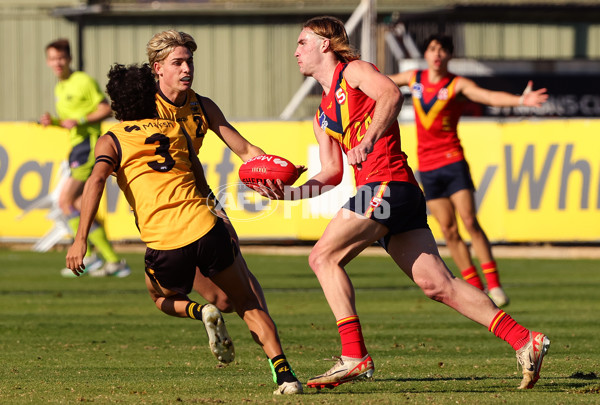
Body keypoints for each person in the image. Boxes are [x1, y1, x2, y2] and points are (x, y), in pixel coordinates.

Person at [258, 16, 550, 391]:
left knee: (322, 258)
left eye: (302, 42)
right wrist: (289, 194)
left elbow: (391, 95)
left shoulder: (355, 71)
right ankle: (525, 339)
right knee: (438, 284)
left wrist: (368, 140)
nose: (295, 51)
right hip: (397, 192)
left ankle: (354, 356)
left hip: (387, 184)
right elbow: (331, 172)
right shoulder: (321, 114)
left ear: (325, 44)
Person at [65, 63, 303, 395]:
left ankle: (199, 310)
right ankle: (286, 375)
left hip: (165, 241)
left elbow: (96, 181)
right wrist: (220, 218)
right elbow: (201, 182)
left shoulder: (111, 140)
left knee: (158, 295)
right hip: (206, 227)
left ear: (116, 104)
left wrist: (80, 240)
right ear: (151, 95)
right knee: (245, 300)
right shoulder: (175, 129)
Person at [387, 34, 549, 307]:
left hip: (452, 162)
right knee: (449, 231)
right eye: (432, 49)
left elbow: (487, 96)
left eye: (443, 50)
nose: (437, 54)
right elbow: (379, 83)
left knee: (470, 221)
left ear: (449, 56)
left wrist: (520, 100)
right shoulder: (414, 78)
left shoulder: (456, 84)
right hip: (427, 166)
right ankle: (476, 290)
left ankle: (495, 285)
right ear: (425, 55)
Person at [145, 30, 286, 314]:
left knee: (236, 287)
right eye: (177, 63)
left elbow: (245, 150)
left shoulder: (202, 106)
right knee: (217, 300)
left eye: (190, 61)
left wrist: (280, 169)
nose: (187, 69)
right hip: (163, 212)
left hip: (201, 199)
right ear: (158, 68)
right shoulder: (144, 109)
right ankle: (204, 313)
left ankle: (271, 343)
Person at [40, 38, 130, 278]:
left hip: (87, 148)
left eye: (61, 57)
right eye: (52, 58)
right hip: (76, 147)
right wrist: (56, 122)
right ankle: (113, 262)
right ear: (48, 62)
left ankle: (88, 256)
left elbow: (104, 109)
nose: (57, 62)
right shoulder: (60, 87)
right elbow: (72, 122)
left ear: (69, 59)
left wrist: (79, 121)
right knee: (80, 206)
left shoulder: (82, 81)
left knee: (64, 202)